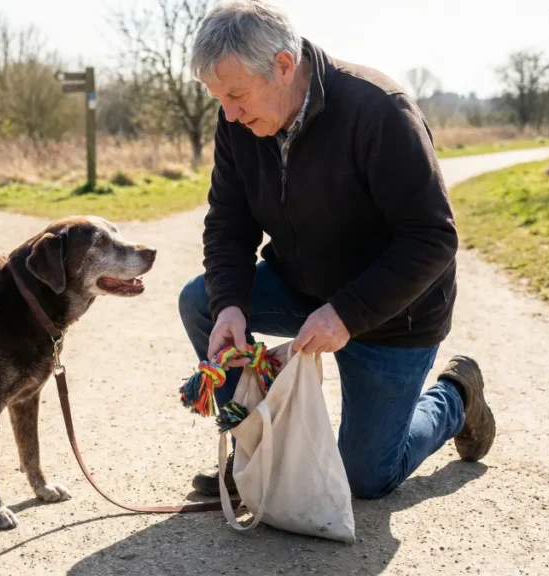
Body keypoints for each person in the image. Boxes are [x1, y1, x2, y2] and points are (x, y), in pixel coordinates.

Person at [179, 0, 496, 499]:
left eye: (237, 95)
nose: (230, 113)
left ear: (283, 66)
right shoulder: (237, 123)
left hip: (392, 313)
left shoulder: (379, 110)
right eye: (219, 98)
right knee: (203, 301)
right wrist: (230, 306)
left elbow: (433, 237)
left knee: (365, 478)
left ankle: (456, 396)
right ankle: (256, 454)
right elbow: (227, 223)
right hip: (304, 287)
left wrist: (346, 314)